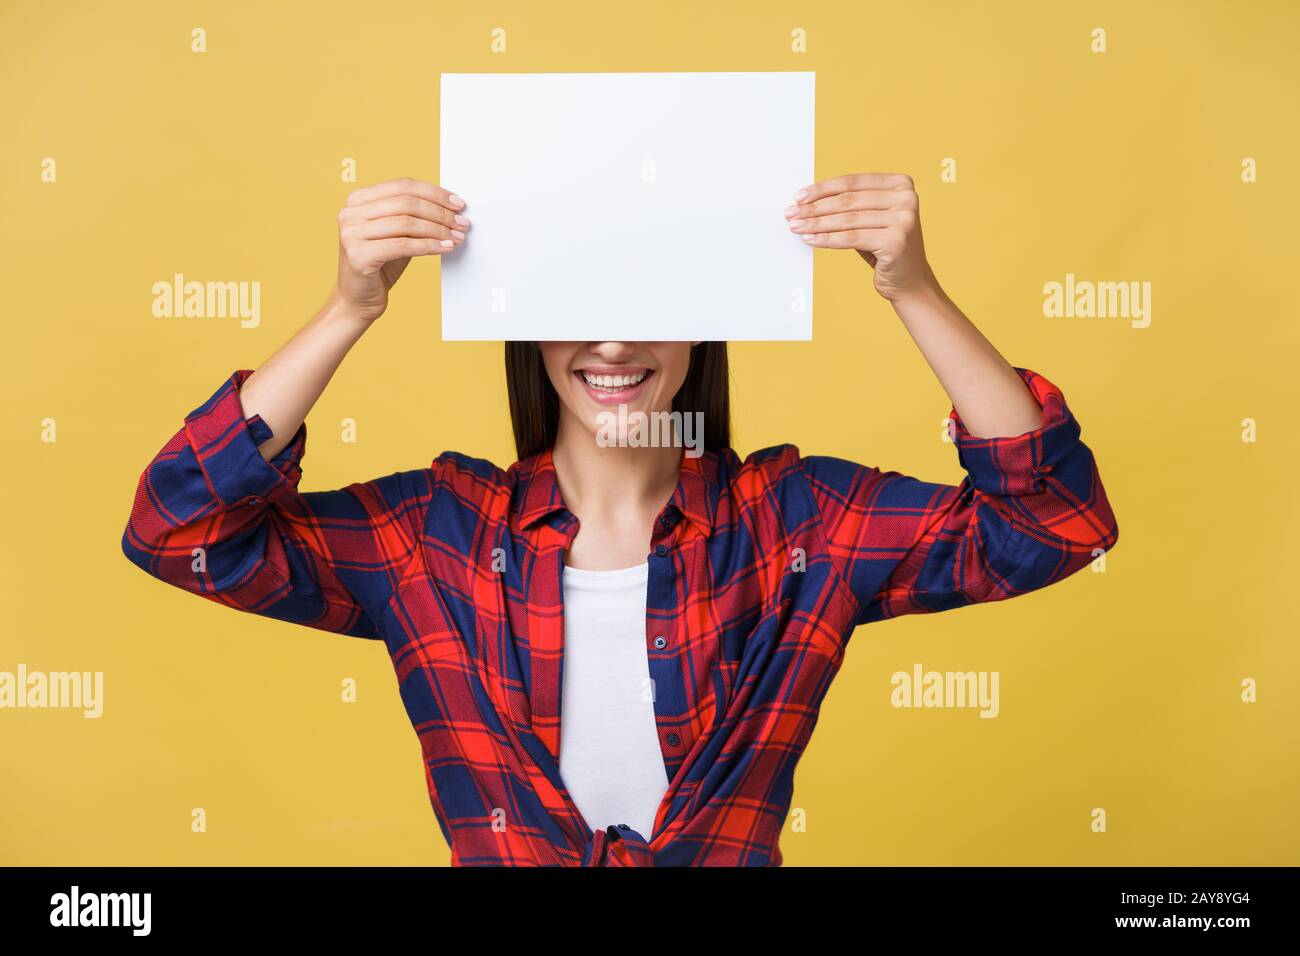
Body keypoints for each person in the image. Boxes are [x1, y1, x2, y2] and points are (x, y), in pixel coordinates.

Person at [121, 174, 1118, 866]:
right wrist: (348, 307)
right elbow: (181, 528)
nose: (611, 339)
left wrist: (913, 288)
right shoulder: (437, 534)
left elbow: (1052, 524)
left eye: (652, 301)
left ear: (704, 321)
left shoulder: (793, 524)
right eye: (576, 303)